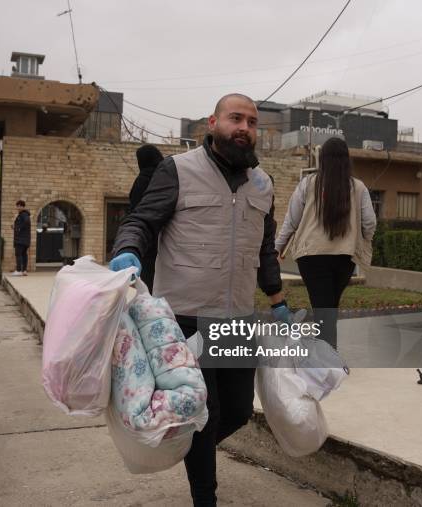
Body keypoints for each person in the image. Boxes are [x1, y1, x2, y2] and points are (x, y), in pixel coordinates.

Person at [109, 93, 296, 506]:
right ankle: (204, 497)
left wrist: (278, 300)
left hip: (238, 319)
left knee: (238, 411)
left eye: (251, 121)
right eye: (235, 118)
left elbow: (265, 248)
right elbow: (140, 220)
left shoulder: (263, 184)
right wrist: (129, 251)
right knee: (202, 413)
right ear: (212, 123)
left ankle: (190, 446)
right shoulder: (176, 170)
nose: (244, 127)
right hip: (185, 319)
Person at [275, 137, 377, 350]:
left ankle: (326, 359)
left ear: (322, 159)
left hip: (311, 256)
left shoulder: (307, 184)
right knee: (329, 306)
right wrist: (363, 240)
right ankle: (329, 356)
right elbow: (369, 222)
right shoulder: (358, 187)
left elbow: (291, 220)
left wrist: (278, 248)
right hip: (345, 256)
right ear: (346, 159)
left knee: (324, 307)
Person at [128, 144, 164, 293]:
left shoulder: (141, 182)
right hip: (168, 242)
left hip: (147, 243)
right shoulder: (166, 178)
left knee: (149, 286)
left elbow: (135, 212)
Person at [12, 199, 31, 276]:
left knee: (18, 254)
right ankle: (24, 270)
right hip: (25, 239)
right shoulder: (25, 214)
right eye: (17, 206)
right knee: (24, 254)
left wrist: (18, 228)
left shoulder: (23, 215)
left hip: (20, 239)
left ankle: (18, 270)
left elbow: (26, 222)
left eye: (18, 206)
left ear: (21, 206)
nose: (17, 208)